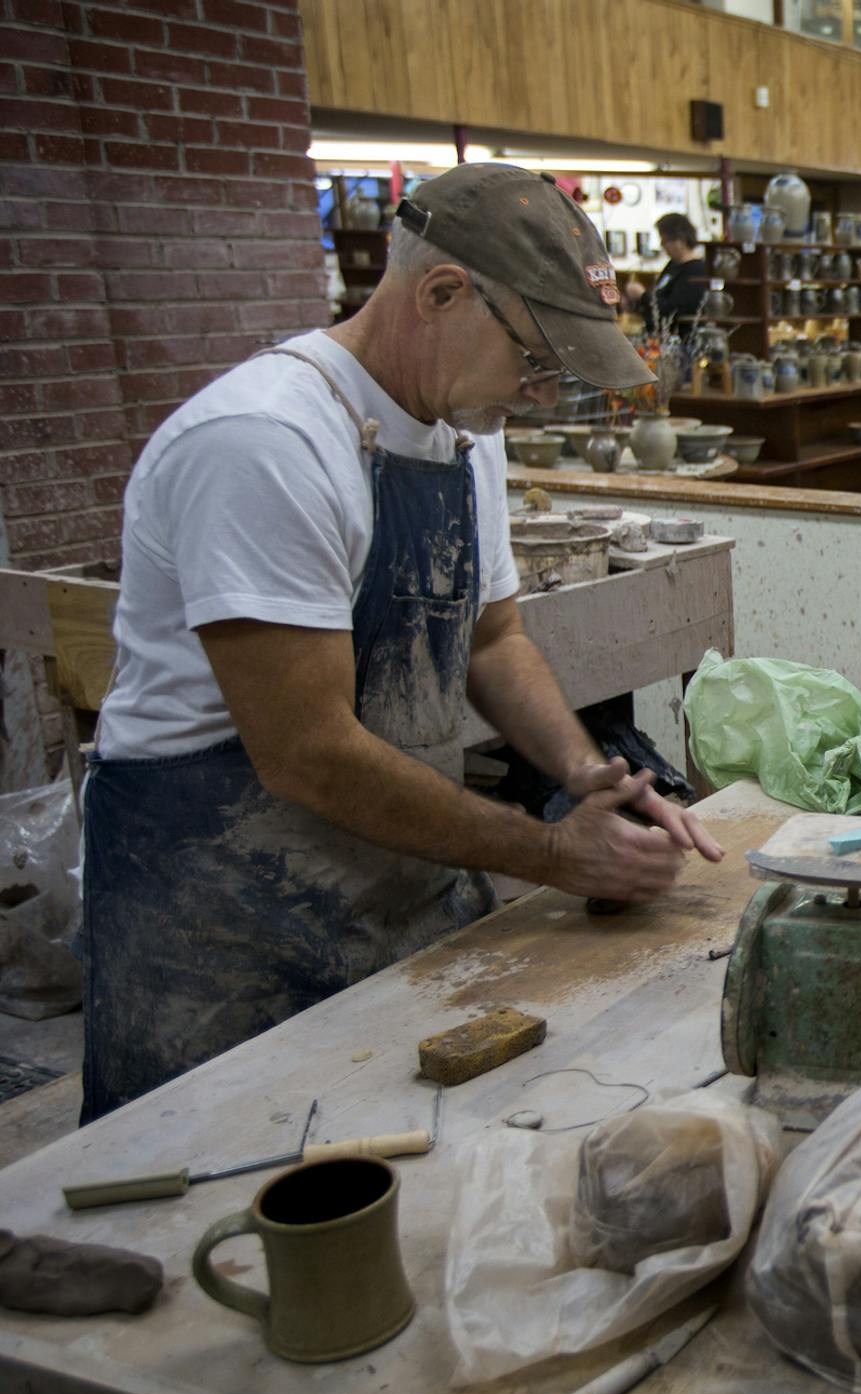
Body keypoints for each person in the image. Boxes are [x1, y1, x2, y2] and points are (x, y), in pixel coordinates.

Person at [78, 162, 724, 1122]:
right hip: (219, 925)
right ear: (441, 293)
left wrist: (589, 777)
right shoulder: (266, 442)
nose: (540, 395)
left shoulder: (464, 431)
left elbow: (493, 637)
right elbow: (307, 751)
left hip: (387, 885)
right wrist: (549, 853)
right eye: (536, 360)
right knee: (215, 1204)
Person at [627, 212, 712, 337]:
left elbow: (675, 309)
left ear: (680, 240)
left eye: (665, 240)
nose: (662, 245)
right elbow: (660, 295)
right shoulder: (672, 265)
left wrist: (643, 295)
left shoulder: (695, 271)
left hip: (679, 338)